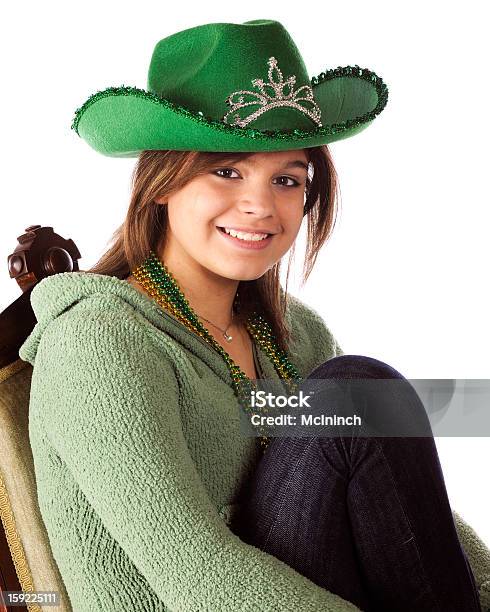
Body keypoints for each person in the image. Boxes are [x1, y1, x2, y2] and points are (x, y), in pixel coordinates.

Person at [19, 19, 489, 612]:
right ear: (160, 182)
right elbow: (193, 571)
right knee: (355, 390)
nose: (261, 206)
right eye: (227, 170)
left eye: (287, 179)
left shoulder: (293, 331)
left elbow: (405, 508)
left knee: (359, 397)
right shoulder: (99, 341)